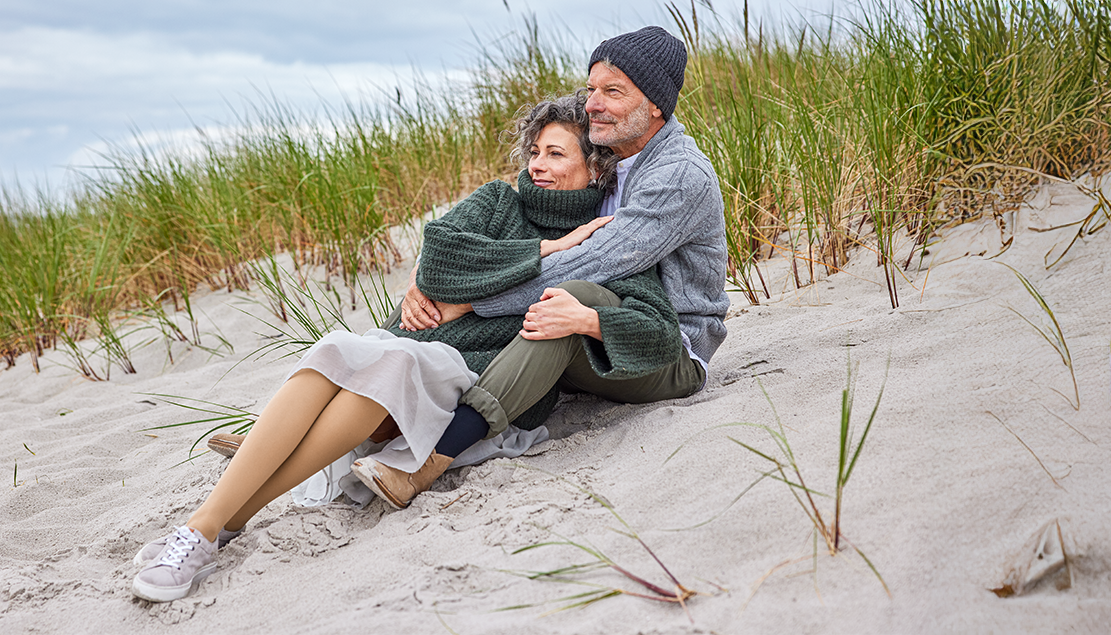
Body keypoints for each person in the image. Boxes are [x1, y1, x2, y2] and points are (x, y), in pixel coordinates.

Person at [129, 89, 684, 603]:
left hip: (479, 369)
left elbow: (655, 326)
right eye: (534, 151)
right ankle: (209, 527)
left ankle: (207, 528)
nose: (537, 165)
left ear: (595, 167)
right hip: (409, 345)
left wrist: (577, 311)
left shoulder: (608, 234)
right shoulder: (498, 202)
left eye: (556, 154)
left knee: (387, 365)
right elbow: (438, 257)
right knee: (334, 353)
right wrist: (549, 248)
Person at [213, 26, 729, 515]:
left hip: (665, 341)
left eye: (612, 91)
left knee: (561, 301)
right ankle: (293, 440)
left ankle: (427, 461)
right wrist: (425, 278)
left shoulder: (675, 174)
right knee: (518, 312)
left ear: (656, 104)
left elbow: (599, 261)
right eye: (591, 87)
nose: (593, 102)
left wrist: (471, 298)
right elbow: (460, 238)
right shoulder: (610, 156)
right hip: (603, 327)